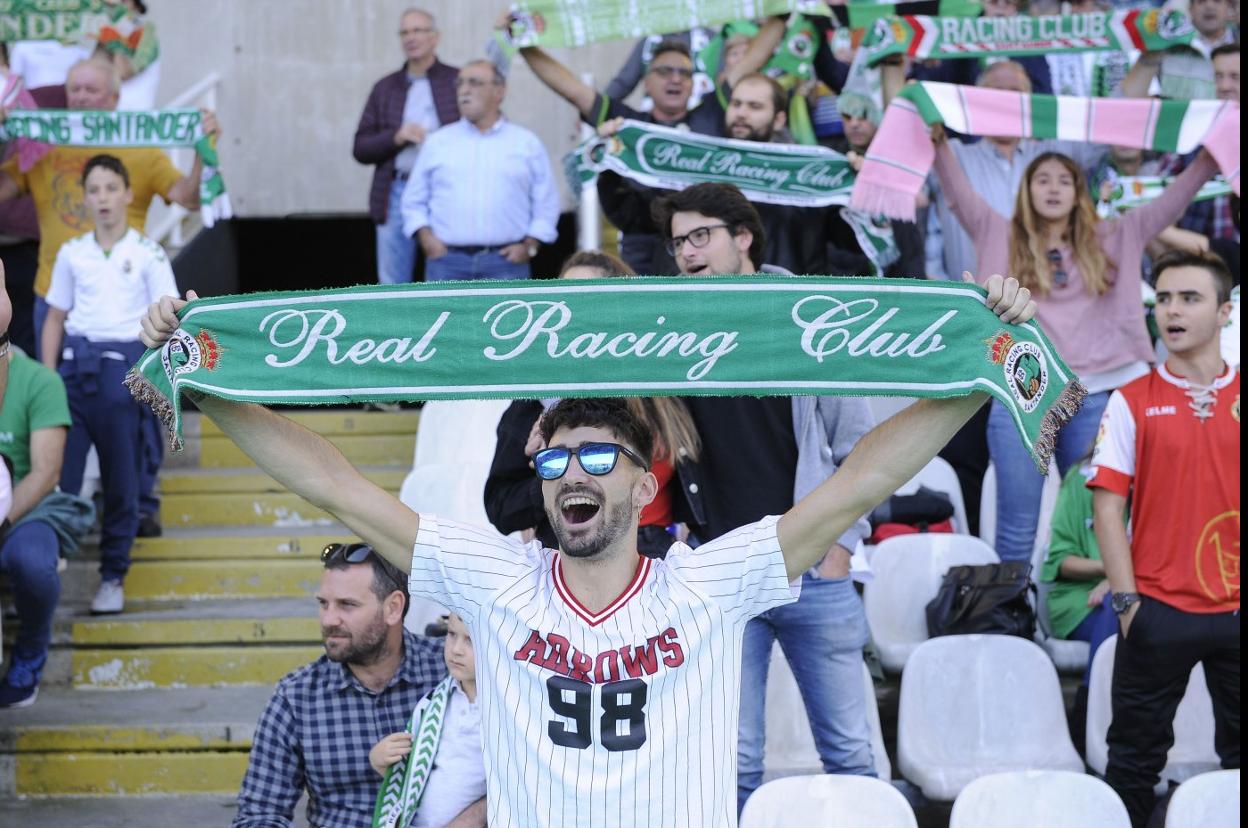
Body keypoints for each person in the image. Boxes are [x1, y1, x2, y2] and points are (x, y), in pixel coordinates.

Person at [141, 279, 1036, 827]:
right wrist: (209, 380)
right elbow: (334, 482)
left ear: (644, 484)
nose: (575, 472)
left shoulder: (708, 581)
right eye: (557, 457)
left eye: (598, 457)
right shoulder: (496, 580)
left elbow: (857, 486)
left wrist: (981, 375)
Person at [647, 182, 879, 812]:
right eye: (677, 243)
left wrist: (841, 544)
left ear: (743, 237)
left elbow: (860, 443)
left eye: (701, 236)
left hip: (814, 571)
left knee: (850, 754)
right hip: (724, 576)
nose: (687, 253)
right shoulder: (672, 332)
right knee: (734, 759)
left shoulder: (805, 313)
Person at [932, 126, 1221, 563]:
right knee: (1016, 526)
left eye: (1064, 180)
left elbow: (1174, 201)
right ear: (1027, 189)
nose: (1052, 188)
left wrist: (1212, 154)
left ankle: (1097, 617)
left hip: (1092, 396)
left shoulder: (1117, 234)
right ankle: (1011, 620)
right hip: (1020, 396)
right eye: (1042, 179)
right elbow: (955, 190)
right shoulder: (997, 231)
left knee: (1093, 522)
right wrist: (935, 142)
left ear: (1078, 190)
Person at [1089, 250, 1239, 828]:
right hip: (1157, 609)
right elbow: (1108, 508)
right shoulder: (1130, 399)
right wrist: (1128, 604)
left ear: (1225, 311)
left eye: (1189, 298)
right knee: (1131, 766)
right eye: (1164, 299)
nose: (1171, 311)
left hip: (1236, 609)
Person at [484, 251, 706, 558]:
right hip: (576, 560)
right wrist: (549, 470)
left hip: (656, 561)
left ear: (620, 307)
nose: (570, 311)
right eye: (562, 299)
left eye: (585, 298)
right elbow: (501, 508)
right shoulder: (539, 397)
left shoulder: (665, 387)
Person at [513, 23, 783, 272]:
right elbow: (571, 89)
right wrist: (522, 41)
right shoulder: (625, 124)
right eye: (665, 71)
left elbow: (753, 59)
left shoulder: (710, 115)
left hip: (702, 247)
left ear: (693, 84)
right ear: (646, 80)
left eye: (684, 73)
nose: (675, 79)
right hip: (642, 250)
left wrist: (785, 10)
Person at [0, 56, 217, 359]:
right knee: (56, 395)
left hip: (125, 299)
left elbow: (188, 198)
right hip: (55, 295)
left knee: (122, 395)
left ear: (115, 98)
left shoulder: (141, 147)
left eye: (91, 89)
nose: (81, 96)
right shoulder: (44, 146)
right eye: (74, 89)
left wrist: (199, 150)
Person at [39, 154, 176, 615]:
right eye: (93, 190)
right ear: (84, 198)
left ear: (128, 194)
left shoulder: (148, 252)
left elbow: (171, 318)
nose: (102, 199)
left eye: (110, 188)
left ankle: (112, 575)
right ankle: (50, 561)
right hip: (75, 372)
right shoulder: (71, 251)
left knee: (122, 480)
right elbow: (55, 317)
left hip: (125, 370)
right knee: (59, 478)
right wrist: (47, 376)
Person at [233, 542, 446, 827]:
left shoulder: (449, 671)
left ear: (393, 608)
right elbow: (259, 814)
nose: (329, 619)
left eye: (347, 605)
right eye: (323, 604)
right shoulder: (297, 697)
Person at [400, 60, 558, 282]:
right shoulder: (438, 142)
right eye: (461, 83)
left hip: (506, 264)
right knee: (444, 319)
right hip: (447, 262)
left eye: (475, 83)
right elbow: (412, 201)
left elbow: (547, 202)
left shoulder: (525, 143)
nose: (464, 90)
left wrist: (530, 246)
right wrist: (427, 240)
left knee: (511, 319)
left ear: (499, 91)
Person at [0, 273, 77, 708]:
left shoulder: (39, 381)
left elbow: (46, 472)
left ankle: (30, 650)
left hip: (26, 513)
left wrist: (3, 520)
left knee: (28, 560)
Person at [353, 8, 459, 285]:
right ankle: (393, 330)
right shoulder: (385, 88)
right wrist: (396, 137)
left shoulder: (457, 81)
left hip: (445, 190)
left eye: (418, 30)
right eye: (405, 32)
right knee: (392, 283)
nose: (410, 38)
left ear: (435, 37)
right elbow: (360, 148)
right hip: (397, 189)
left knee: (446, 276)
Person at [369, 612, 487, 828]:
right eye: (452, 634)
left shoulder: (506, 712)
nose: (456, 650)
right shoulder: (434, 704)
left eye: (471, 640)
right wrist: (381, 762)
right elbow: (416, 777)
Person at [1039, 459, 1118, 688]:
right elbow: (1059, 561)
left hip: (1131, 592)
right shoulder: (1082, 479)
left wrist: (1117, 579)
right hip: (1079, 601)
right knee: (1120, 604)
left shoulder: (1156, 483)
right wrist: (1114, 570)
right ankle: (1090, 704)